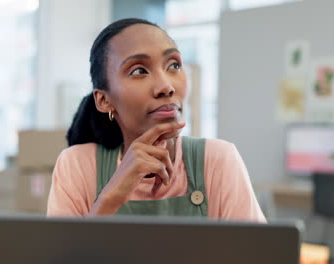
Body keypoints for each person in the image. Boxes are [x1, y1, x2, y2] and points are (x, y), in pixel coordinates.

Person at [47, 18, 265, 221]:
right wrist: (112, 195)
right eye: (139, 70)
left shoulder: (218, 160)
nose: (166, 87)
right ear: (104, 100)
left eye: (174, 65)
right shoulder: (77, 165)